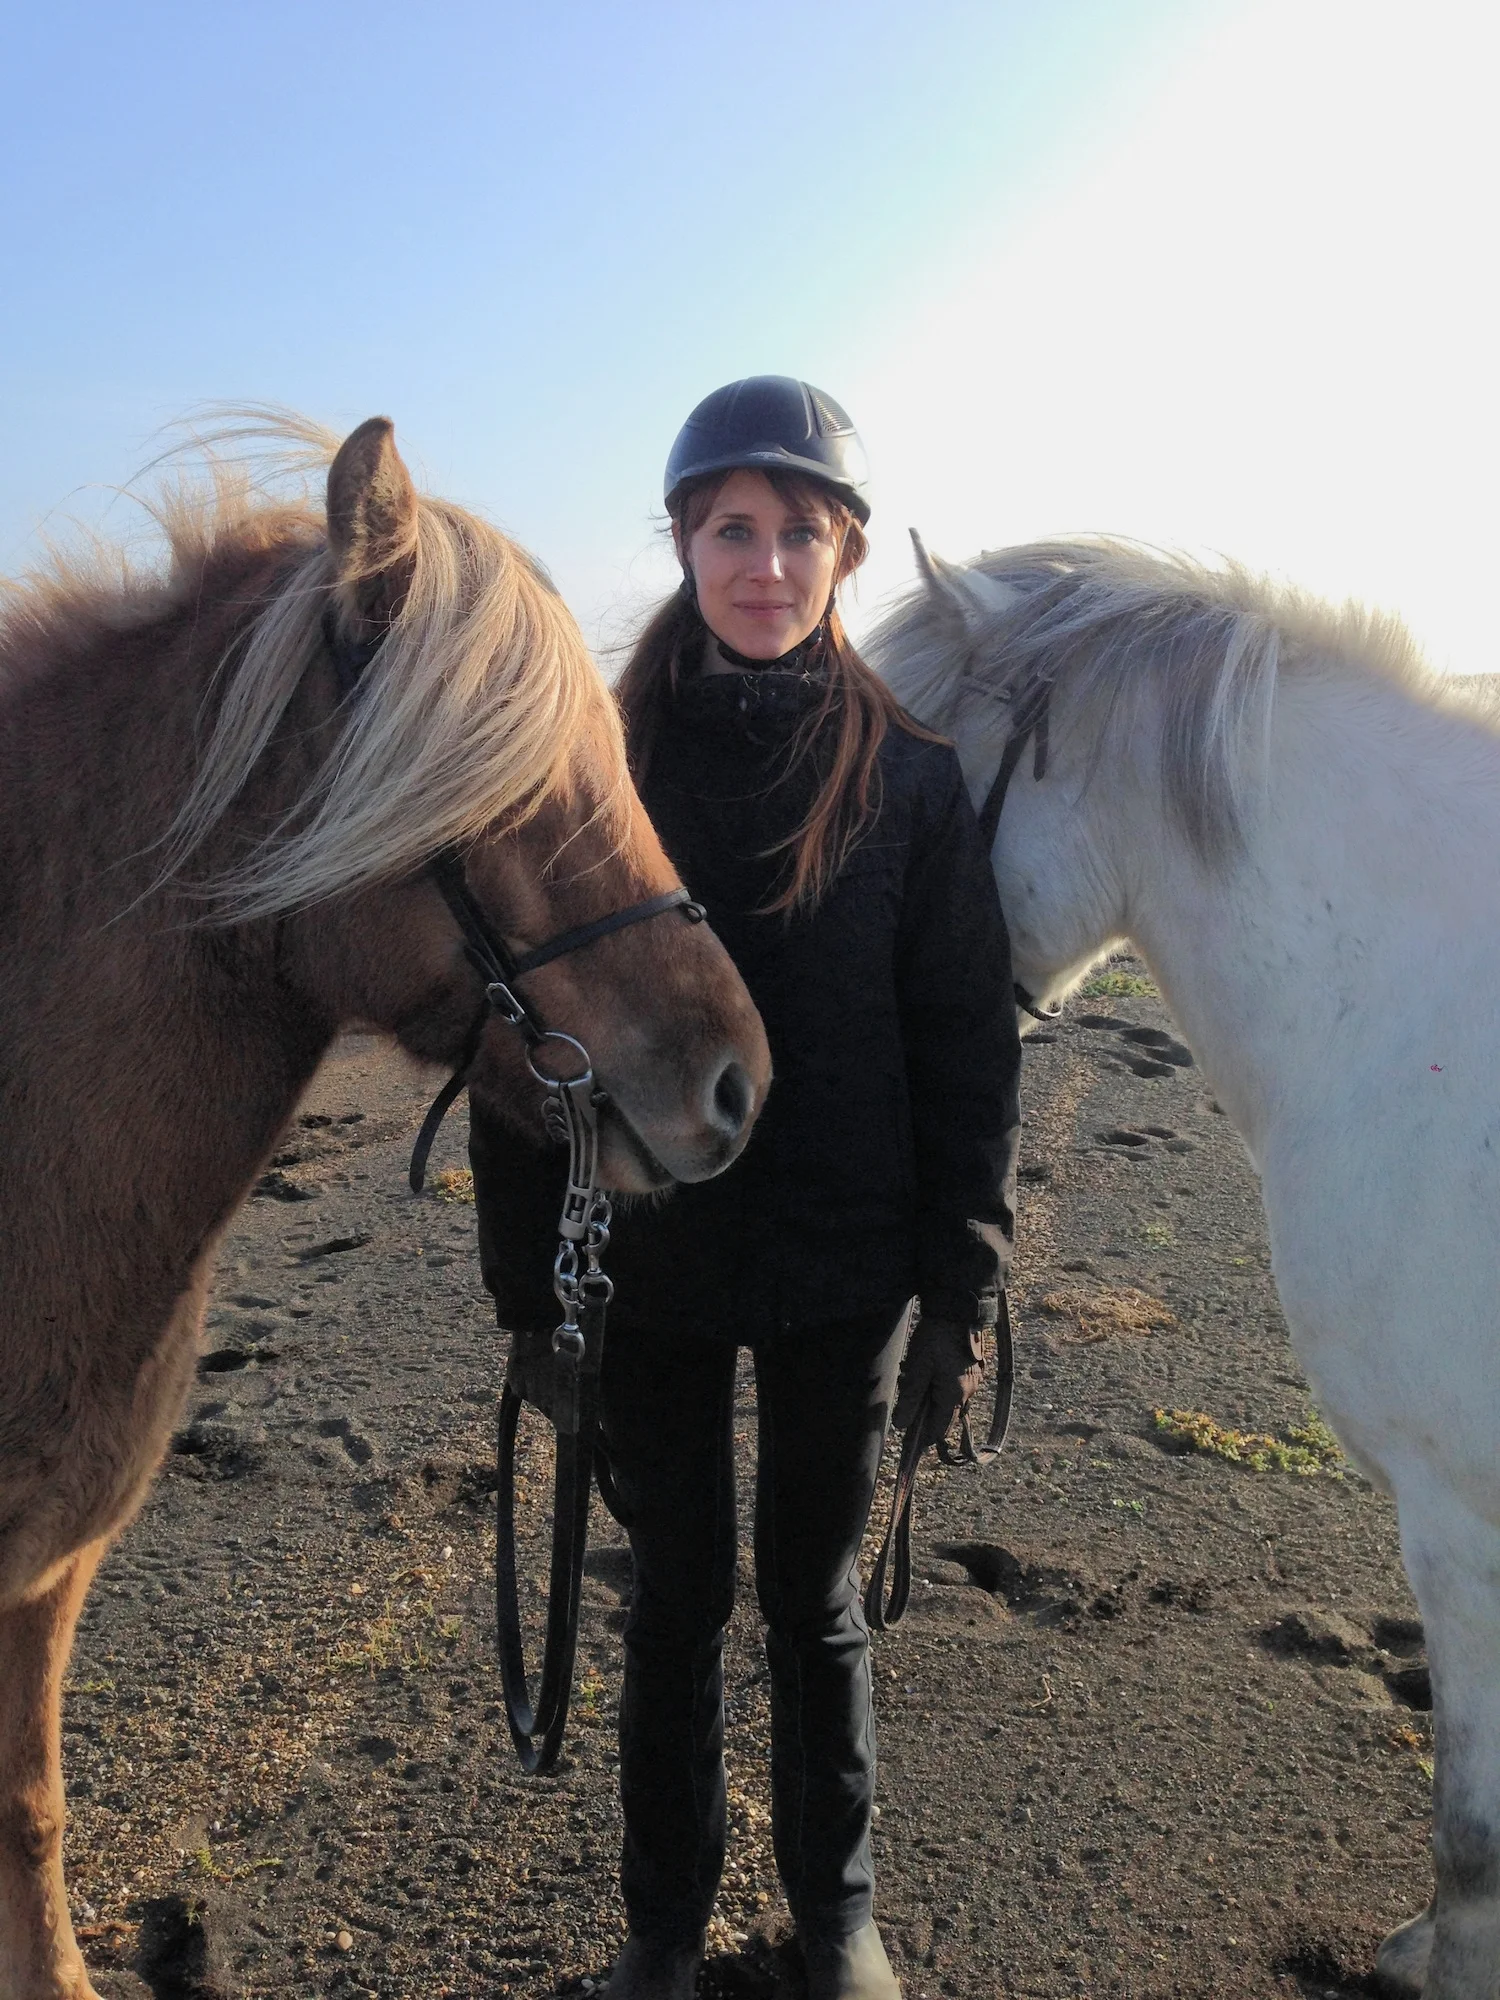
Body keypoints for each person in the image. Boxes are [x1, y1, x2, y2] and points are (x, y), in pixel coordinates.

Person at [470, 376, 1022, 2000]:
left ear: (844, 556)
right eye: (732, 529)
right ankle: (659, 1934)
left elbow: (963, 1042)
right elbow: (521, 1050)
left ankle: (835, 1923)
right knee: (674, 1607)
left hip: (850, 1267)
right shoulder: (598, 769)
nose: (764, 563)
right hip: (644, 1264)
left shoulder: (909, 783)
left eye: (798, 532)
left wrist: (962, 1276)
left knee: (814, 1602)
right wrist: (530, 1306)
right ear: (685, 542)